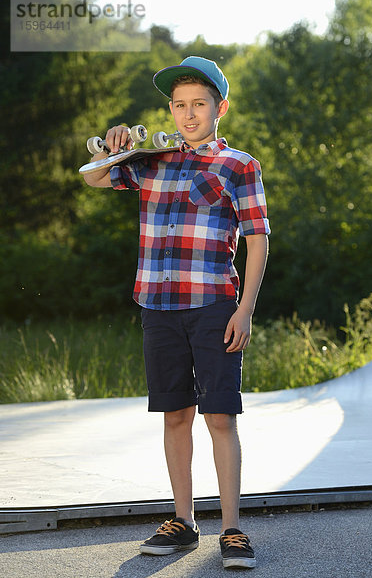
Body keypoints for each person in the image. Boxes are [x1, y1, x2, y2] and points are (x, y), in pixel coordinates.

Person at [83, 56, 270, 570]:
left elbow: (257, 239)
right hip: (158, 307)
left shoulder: (239, 166)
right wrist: (111, 146)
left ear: (219, 108)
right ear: (171, 109)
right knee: (175, 414)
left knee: (219, 416)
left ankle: (232, 530)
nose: (189, 115)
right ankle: (184, 522)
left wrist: (245, 309)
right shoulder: (152, 159)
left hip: (213, 305)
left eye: (199, 105)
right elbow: (95, 181)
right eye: (180, 105)